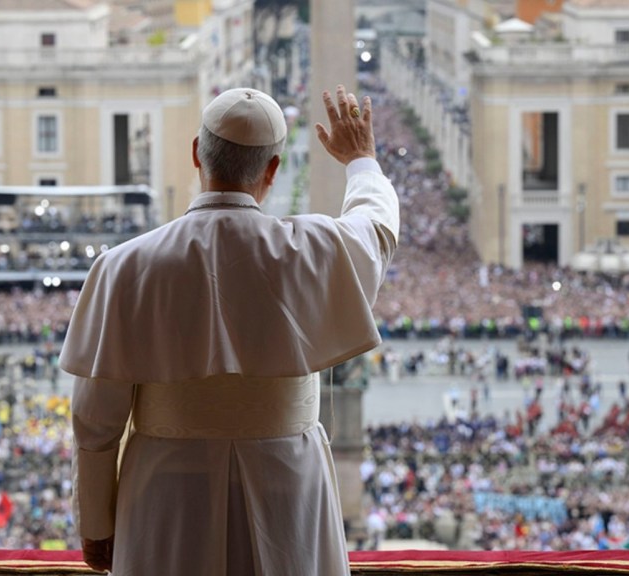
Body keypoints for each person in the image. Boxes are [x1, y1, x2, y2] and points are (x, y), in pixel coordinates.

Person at [61, 85, 399, 575]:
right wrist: (361, 161)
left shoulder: (123, 266)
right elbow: (378, 228)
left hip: (166, 492)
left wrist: (96, 525)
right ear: (272, 170)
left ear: (197, 154)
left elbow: (95, 422)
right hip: (287, 485)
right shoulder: (313, 249)